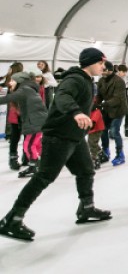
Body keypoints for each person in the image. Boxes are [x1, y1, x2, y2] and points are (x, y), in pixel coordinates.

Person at [0, 48, 112, 242]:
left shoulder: (86, 80)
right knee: (44, 177)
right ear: (91, 63)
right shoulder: (75, 79)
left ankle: (86, 208)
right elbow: (63, 98)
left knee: (86, 171)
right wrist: (76, 112)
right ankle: (12, 219)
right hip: (58, 137)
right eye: (101, 63)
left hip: (74, 137)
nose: (104, 66)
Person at [0, 72, 48, 178]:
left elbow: (8, 98)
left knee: (29, 145)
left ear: (19, 80)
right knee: (36, 145)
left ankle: (33, 166)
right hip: (37, 121)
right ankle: (42, 163)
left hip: (34, 122)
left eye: (12, 80)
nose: (10, 83)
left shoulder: (24, 90)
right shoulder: (27, 89)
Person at [97, 61, 128, 167]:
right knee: (103, 130)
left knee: (114, 131)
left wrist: (103, 104)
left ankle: (120, 155)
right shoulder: (101, 80)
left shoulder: (119, 81)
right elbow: (99, 95)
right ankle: (105, 152)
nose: (101, 71)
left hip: (118, 109)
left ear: (110, 70)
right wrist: (95, 103)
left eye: (103, 70)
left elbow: (117, 99)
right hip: (107, 109)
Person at [2, 62, 24, 170]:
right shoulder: (9, 81)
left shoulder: (20, 82)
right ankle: (13, 159)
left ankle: (27, 157)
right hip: (15, 113)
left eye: (10, 69)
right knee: (16, 136)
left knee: (23, 136)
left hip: (22, 113)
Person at [116, 64, 128, 138]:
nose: (124, 73)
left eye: (125, 72)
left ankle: (127, 130)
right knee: (117, 115)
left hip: (125, 97)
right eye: (123, 72)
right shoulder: (114, 78)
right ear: (119, 71)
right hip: (116, 98)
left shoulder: (127, 78)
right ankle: (113, 131)